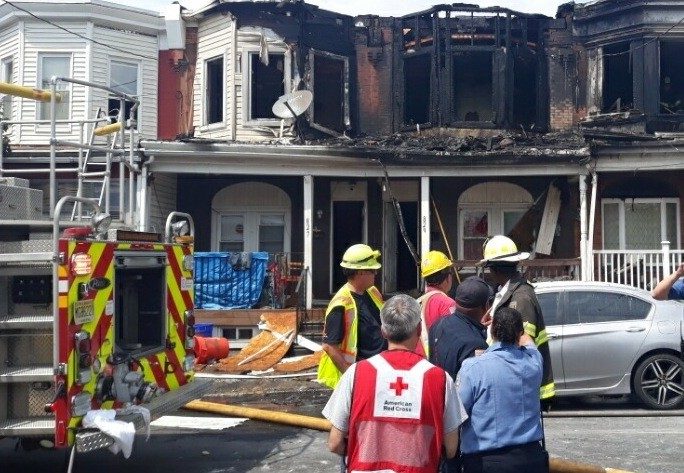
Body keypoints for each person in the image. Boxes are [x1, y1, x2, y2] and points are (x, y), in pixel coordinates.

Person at [322, 294, 466, 473]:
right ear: (419, 329)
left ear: (383, 331)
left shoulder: (356, 373)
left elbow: (335, 443)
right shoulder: (440, 379)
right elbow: (451, 448)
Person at [457, 307, 548, 473]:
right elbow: (529, 342)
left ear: (492, 332)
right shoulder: (534, 363)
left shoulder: (473, 368)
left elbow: (457, 414)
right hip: (531, 459)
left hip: (487, 462)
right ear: (519, 333)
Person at [480, 235, 555, 402]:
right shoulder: (506, 292)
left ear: (495, 269)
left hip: (519, 384)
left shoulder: (521, 298)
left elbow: (521, 342)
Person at [428, 276, 491, 473]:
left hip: (436, 414)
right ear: (484, 307)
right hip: (459, 428)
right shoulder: (476, 345)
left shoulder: (439, 325)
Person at [318, 243, 385, 389]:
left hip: (377, 371)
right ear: (360, 272)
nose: (375, 274)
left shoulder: (373, 292)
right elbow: (329, 346)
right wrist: (351, 377)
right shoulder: (341, 304)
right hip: (358, 376)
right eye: (372, 270)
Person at [429, 276, 491, 381]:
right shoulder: (477, 344)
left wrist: (479, 328)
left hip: (439, 392)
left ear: (456, 301)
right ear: (486, 306)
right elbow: (478, 384)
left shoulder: (438, 324)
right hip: (458, 396)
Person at [416, 250, 457, 357]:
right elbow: (454, 337)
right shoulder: (447, 303)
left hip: (419, 361)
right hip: (438, 361)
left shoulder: (417, 302)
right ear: (447, 277)